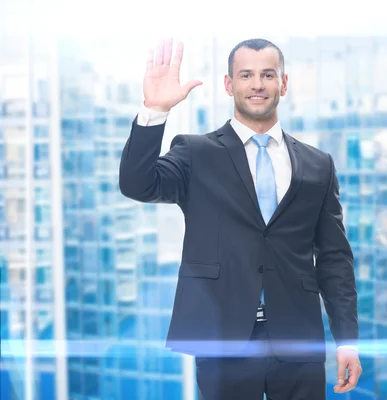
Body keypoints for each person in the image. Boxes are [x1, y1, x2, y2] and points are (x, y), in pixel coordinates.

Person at [119, 37, 361, 399]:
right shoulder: (196, 153)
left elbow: (334, 259)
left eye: (268, 74)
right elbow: (138, 184)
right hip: (222, 339)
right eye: (246, 75)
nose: (258, 84)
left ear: (284, 82)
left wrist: (346, 341)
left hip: (298, 339)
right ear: (229, 84)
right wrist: (155, 111)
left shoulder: (317, 164)